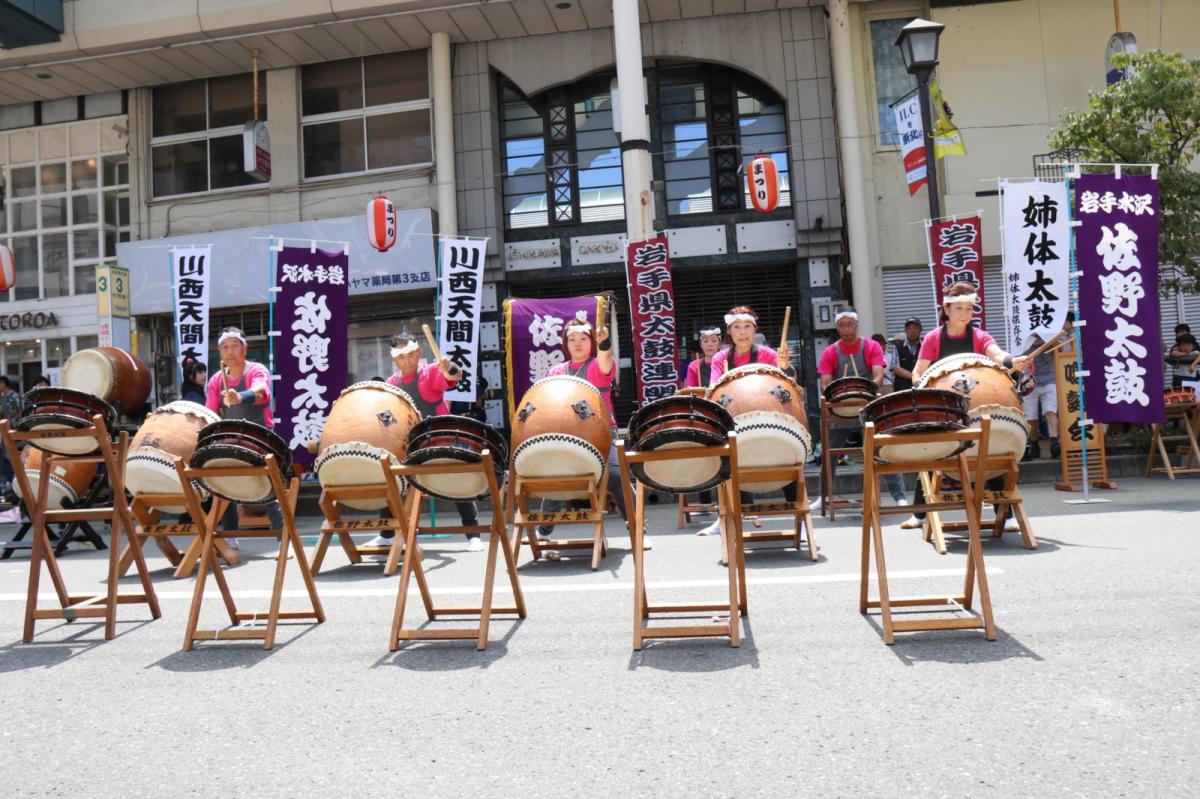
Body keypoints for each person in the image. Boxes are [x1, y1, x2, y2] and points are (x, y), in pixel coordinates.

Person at [901, 282, 1032, 531]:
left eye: (969, 308)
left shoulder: (978, 336)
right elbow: (918, 372)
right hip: (945, 405)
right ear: (947, 309)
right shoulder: (933, 338)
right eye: (959, 308)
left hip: (979, 403)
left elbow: (996, 355)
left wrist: (1012, 360)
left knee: (995, 448)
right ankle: (920, 514)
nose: (964, 313)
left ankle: (1007, 514)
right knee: (931, 451)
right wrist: (922, 388)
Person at [365, 333, 485, 552]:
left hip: (438, 437)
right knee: (387, 471)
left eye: (411, 355)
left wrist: (450, 368)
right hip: (410, 442)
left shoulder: (430, 372)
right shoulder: (393, 384)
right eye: (401, 357)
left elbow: (454, 375)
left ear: (418, 352)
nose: (407, 360)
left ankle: (473, 534)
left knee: (455, 477)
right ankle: (386, 533)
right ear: (395, 359)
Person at [696, 306, 797, 537]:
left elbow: (787, 384)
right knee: (722, 456)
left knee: (788, 453)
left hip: (768, 417)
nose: (742, 332)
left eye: (747, 327)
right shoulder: (722, 357)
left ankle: (798, 514)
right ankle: (726, 516)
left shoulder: (769, 354)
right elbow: (714, 389)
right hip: (735, 419)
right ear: (729, 331)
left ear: (755, 329)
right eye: (737, 327)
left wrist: (785, 367)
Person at [535, 314, 633, 551]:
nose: (578, 343)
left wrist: (604, 344)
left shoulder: (597, 366)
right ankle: (544, 531)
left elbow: (606, 361)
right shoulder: (557, 370)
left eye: (583, 338)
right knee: (556, 472)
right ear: (565, 344)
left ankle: (637, 525)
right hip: (566, 433)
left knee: (615, 474)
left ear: (591, 342)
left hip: (600, 430)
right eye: (572, 339)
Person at [814, 308, 905, 510]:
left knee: (882, 449)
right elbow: (825, 382)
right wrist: (839, 396)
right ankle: (823, 496)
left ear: (856, 324)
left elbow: (879, 375)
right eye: (842, 324)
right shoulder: (830, 351)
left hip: (868, 405)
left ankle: (899, 496)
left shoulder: (871, 346)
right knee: (830, 453)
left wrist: (867, 391)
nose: (846, 328)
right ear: (836, 327)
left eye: (850, 323)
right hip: (840, 408)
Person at [204, 327, 283, 547]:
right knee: (223, 485)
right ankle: (230, 537)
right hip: (230, 439)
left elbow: (261, 391)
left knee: (269, 487)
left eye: (234, 346)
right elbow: (210, 413)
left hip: (260, 436)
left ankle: (283, 535)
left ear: (245, 348)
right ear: (219, 352)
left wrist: (239, 396)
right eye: (225, 347)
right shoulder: (216, 380)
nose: (230, 351)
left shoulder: (256, 370)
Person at [1021, 336, 1060, 461]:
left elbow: (1062, 350)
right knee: (1031, 418)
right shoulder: (1022, 339)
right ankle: (1034, 444)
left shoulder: (1052, 337)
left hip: (1049, 380)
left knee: (1050, 412)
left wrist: (1050, 339)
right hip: (1029, 381)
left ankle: (1054, 441)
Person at [891, 317, 923, 392]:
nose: (912, 331)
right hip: (902, 390)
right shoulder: (897, 346)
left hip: (923, 388)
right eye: (909, 328)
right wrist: (915, 377)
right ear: (905, 330)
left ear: (920, 330)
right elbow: (896, 368)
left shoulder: (926, 344)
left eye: (915, 328)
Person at [0, 376, 20, 493]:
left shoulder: (14, 396)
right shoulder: (2, 398)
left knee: (13, 456)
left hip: (13, 431)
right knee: (5, 456)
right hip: (3, 432)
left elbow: (19, 412)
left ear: (3, 384)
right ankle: (8, 482)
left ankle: (15, 481)